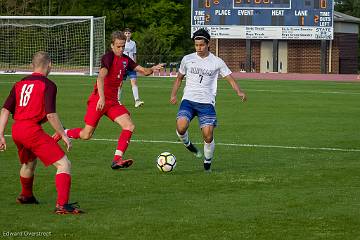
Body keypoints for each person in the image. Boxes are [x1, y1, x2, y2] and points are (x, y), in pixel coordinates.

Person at [55, 31, 163, 170]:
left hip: (112, 102)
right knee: (86, 134)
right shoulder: (108, 58)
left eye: (123, 46)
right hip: (98, 100)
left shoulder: (126, 60)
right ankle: (63, 132)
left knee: (129, 126)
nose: (121, 49)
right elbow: (100, 78)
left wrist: (153, 68)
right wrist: (101, 97)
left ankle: (117, 160)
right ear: (112, 45)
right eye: (118, 46)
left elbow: (144, 71)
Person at [0, 51, 83, 214]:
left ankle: (26, 196)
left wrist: (1, 134)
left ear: (33, 65)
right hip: (31, 130)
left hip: (17, 129)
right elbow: (50, 114)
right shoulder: (49, 84)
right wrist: (64, 135)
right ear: (50, 65)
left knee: (29, 162)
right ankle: (62, 205)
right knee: (64, 164)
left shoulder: (19, 83)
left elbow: (5, 110)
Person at [170, 28, 247, 172]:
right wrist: (173, 95)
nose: (198, 48)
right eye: (196, 45)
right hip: (189, 100)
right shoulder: (187, 59)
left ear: (208, 44)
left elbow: (229, 78)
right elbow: (179, 78)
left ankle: (207, 163)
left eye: (201, 45)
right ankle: (188, 144)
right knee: (181, 127)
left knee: (208, 135)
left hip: (207, 103)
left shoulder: (217, 62)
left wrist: (239, 91)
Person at [118, 28, 144, 108]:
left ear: (131, 34)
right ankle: (117, 100)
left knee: (134, 82)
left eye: (129, 33)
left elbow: (134, 55)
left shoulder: (133, 43)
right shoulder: (121, 43)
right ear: (123, 34)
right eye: (126, 33)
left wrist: (135, 65)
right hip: (122, 66)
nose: (127, 35)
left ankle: (137, 100)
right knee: (120, 84)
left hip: (131, 66)